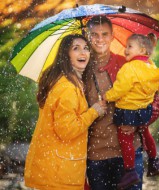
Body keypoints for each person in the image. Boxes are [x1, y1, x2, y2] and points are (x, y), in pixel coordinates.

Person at [83, 16, 159, 190]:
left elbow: (156, 102)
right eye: (94, 34)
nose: (100, 39)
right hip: (96, 156)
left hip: (129, 154)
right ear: (87, 36)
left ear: (112, 36)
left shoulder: (129, 63)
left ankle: (152, 160)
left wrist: (139, 123)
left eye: (105, 34)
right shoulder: (81, 69)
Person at [24, 34, 107, 190]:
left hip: (54, 168)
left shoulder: (67, 82)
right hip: (59, 172)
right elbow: (66, 130)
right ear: (66, 55)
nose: (83, 53)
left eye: (86, 48)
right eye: (76, 49)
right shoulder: (67, 88)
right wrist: (94, 111)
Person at [105, 33, 159, 189]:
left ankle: (130, 170)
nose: (125, 49)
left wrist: (107, 97)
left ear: (143, 49)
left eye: (130, 46)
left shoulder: (129, 68)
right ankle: (154, 160)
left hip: (128, 110)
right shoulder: (151, 66)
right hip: (145, 109)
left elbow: (120, 89)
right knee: (145, 132)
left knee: (125, 138)